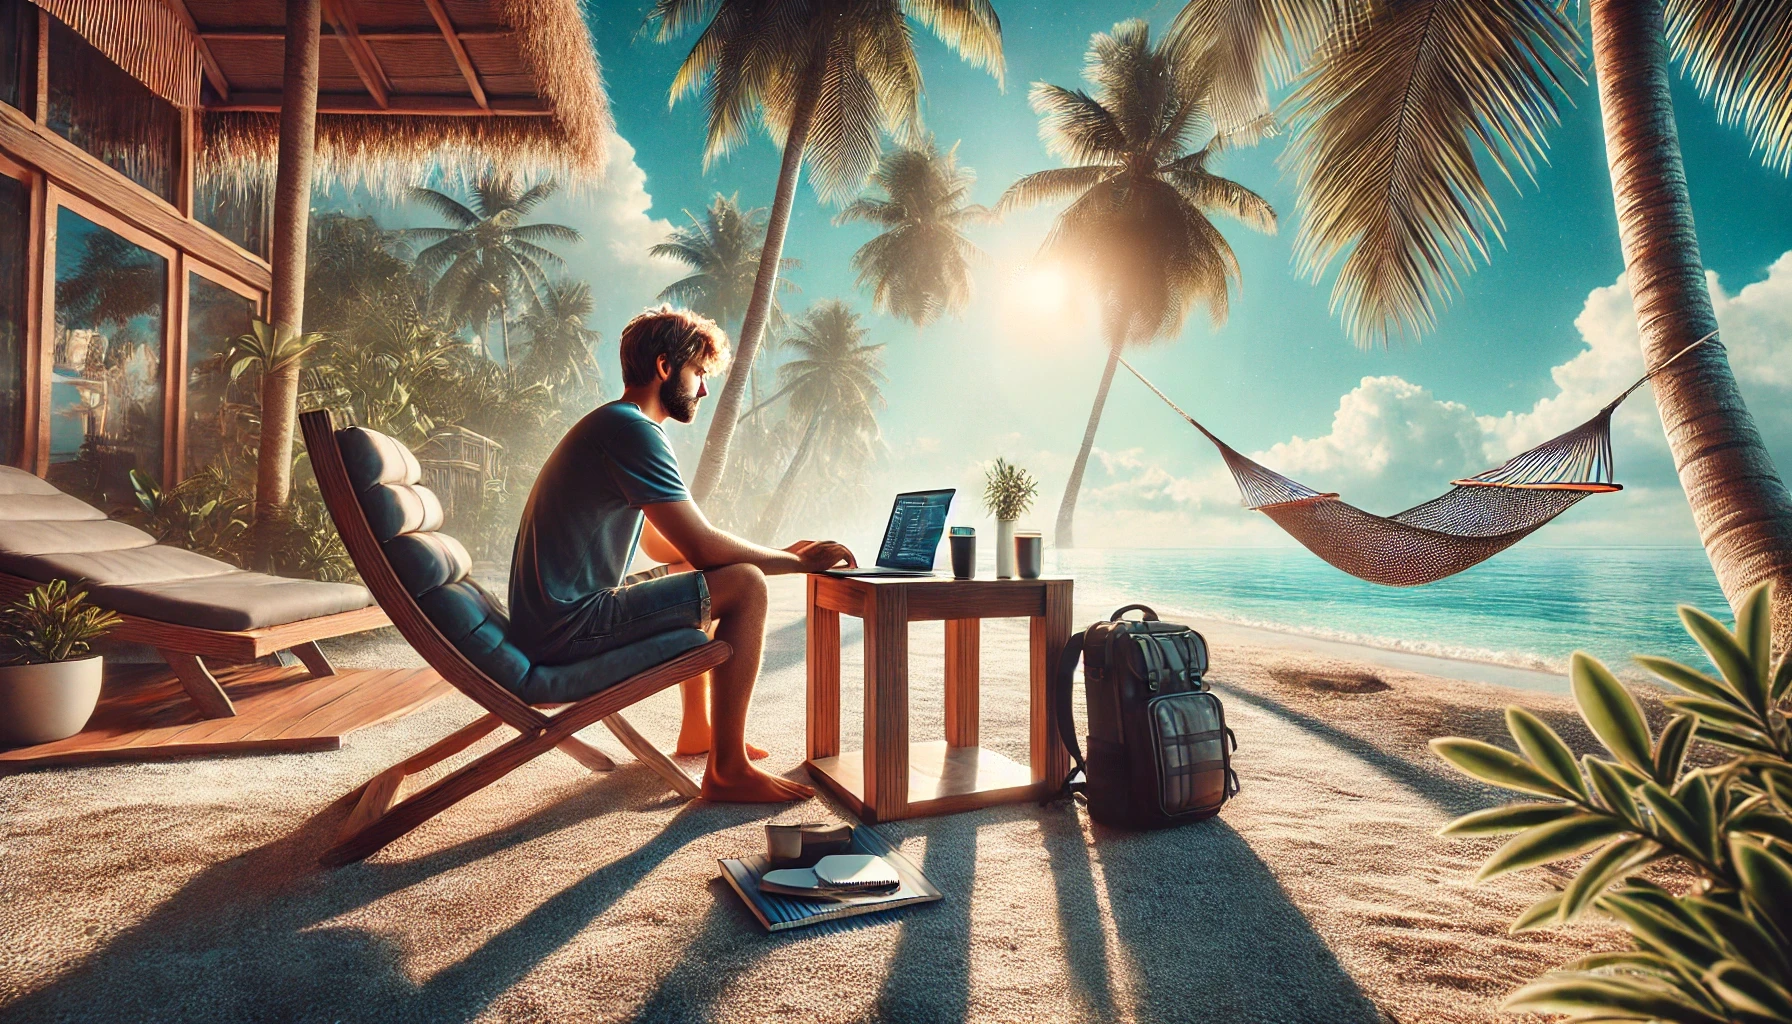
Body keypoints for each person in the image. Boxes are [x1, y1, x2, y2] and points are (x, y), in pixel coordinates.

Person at [508, 305, 856, 802]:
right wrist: (794, 561)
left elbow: (663, 545)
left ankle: (699, 726)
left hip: (552, 618)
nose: (705, 389)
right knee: (746, 584)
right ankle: (728, 769)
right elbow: (704, 542)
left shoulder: (617, 424)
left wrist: (730, 555)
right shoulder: (633, 431)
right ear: (665, 367)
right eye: (698, 373)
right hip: (570, 625)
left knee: (700, 569)